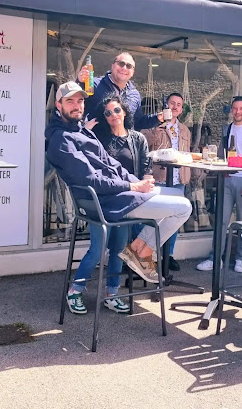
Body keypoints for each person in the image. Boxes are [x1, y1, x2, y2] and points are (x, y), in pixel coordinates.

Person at [45, 81, 192, 315]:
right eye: (70, 101)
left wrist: (138, 183)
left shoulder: (81, 131)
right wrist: (133, 185)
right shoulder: (62, 139)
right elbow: (91, 179)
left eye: (80, 100)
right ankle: (139, 252)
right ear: (58, 105)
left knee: (176, 196)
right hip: (103, 202)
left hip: (119, 195)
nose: (77, 105)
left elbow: (111, 163)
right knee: (183, 208)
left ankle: (115, 288)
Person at [69, 96, 149, 314]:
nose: (112, 115)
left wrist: (144, 184)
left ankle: (111, 294)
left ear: (124, 111)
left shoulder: (137, 139)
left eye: (116, 110)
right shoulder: (99, 138)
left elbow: (142, 169)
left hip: (128, 200)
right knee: (97, 249)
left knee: (119, 250)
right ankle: (75, 290)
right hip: (104, 201)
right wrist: (84, 130)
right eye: (107, 113)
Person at [196, 96, 242, 273]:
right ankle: (216, 258)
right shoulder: (227, 129)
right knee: (221, 220)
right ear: (231, 110)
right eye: (235, 108)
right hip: (227, 179)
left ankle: (241, 258)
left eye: (241, 108)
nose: (238, 112)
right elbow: (222, 154)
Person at [142, 93, 191, 271]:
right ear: (166, 106)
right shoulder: (155, 126)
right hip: (160, 177)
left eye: (179, 104)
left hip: (179, 178)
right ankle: (149, 255)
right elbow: (145, 145)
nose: (175, 107)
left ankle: (168, 255)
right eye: (172, 103)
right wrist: (157, 126)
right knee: (156, 218)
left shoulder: (185, 129)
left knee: (175, 219)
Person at [78, 51, 163, 130]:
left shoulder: (134, 94)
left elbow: (137, 122)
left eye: (129, 66)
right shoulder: (94, 85)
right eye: (121, 64)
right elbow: (72, 105)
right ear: (112, 65)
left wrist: (157, 118)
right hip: (95, 142)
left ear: (133, 72)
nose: (124, 68)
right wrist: (79, 81)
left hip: (122, 144)